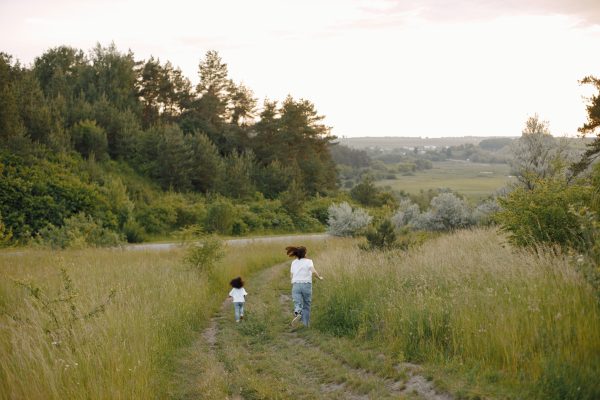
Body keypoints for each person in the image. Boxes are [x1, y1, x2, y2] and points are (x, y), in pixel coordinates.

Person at [286, 246, 323, 327]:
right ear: (305, 253)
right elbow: (313, 271)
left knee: (297, 302)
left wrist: (293, 282)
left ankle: (298, 312)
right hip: (306, 285)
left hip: (296, 284)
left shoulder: (294, 262)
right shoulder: (309, 261)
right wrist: (319, 277)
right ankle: (305, 324)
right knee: (307, 304)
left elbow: (291, 275)